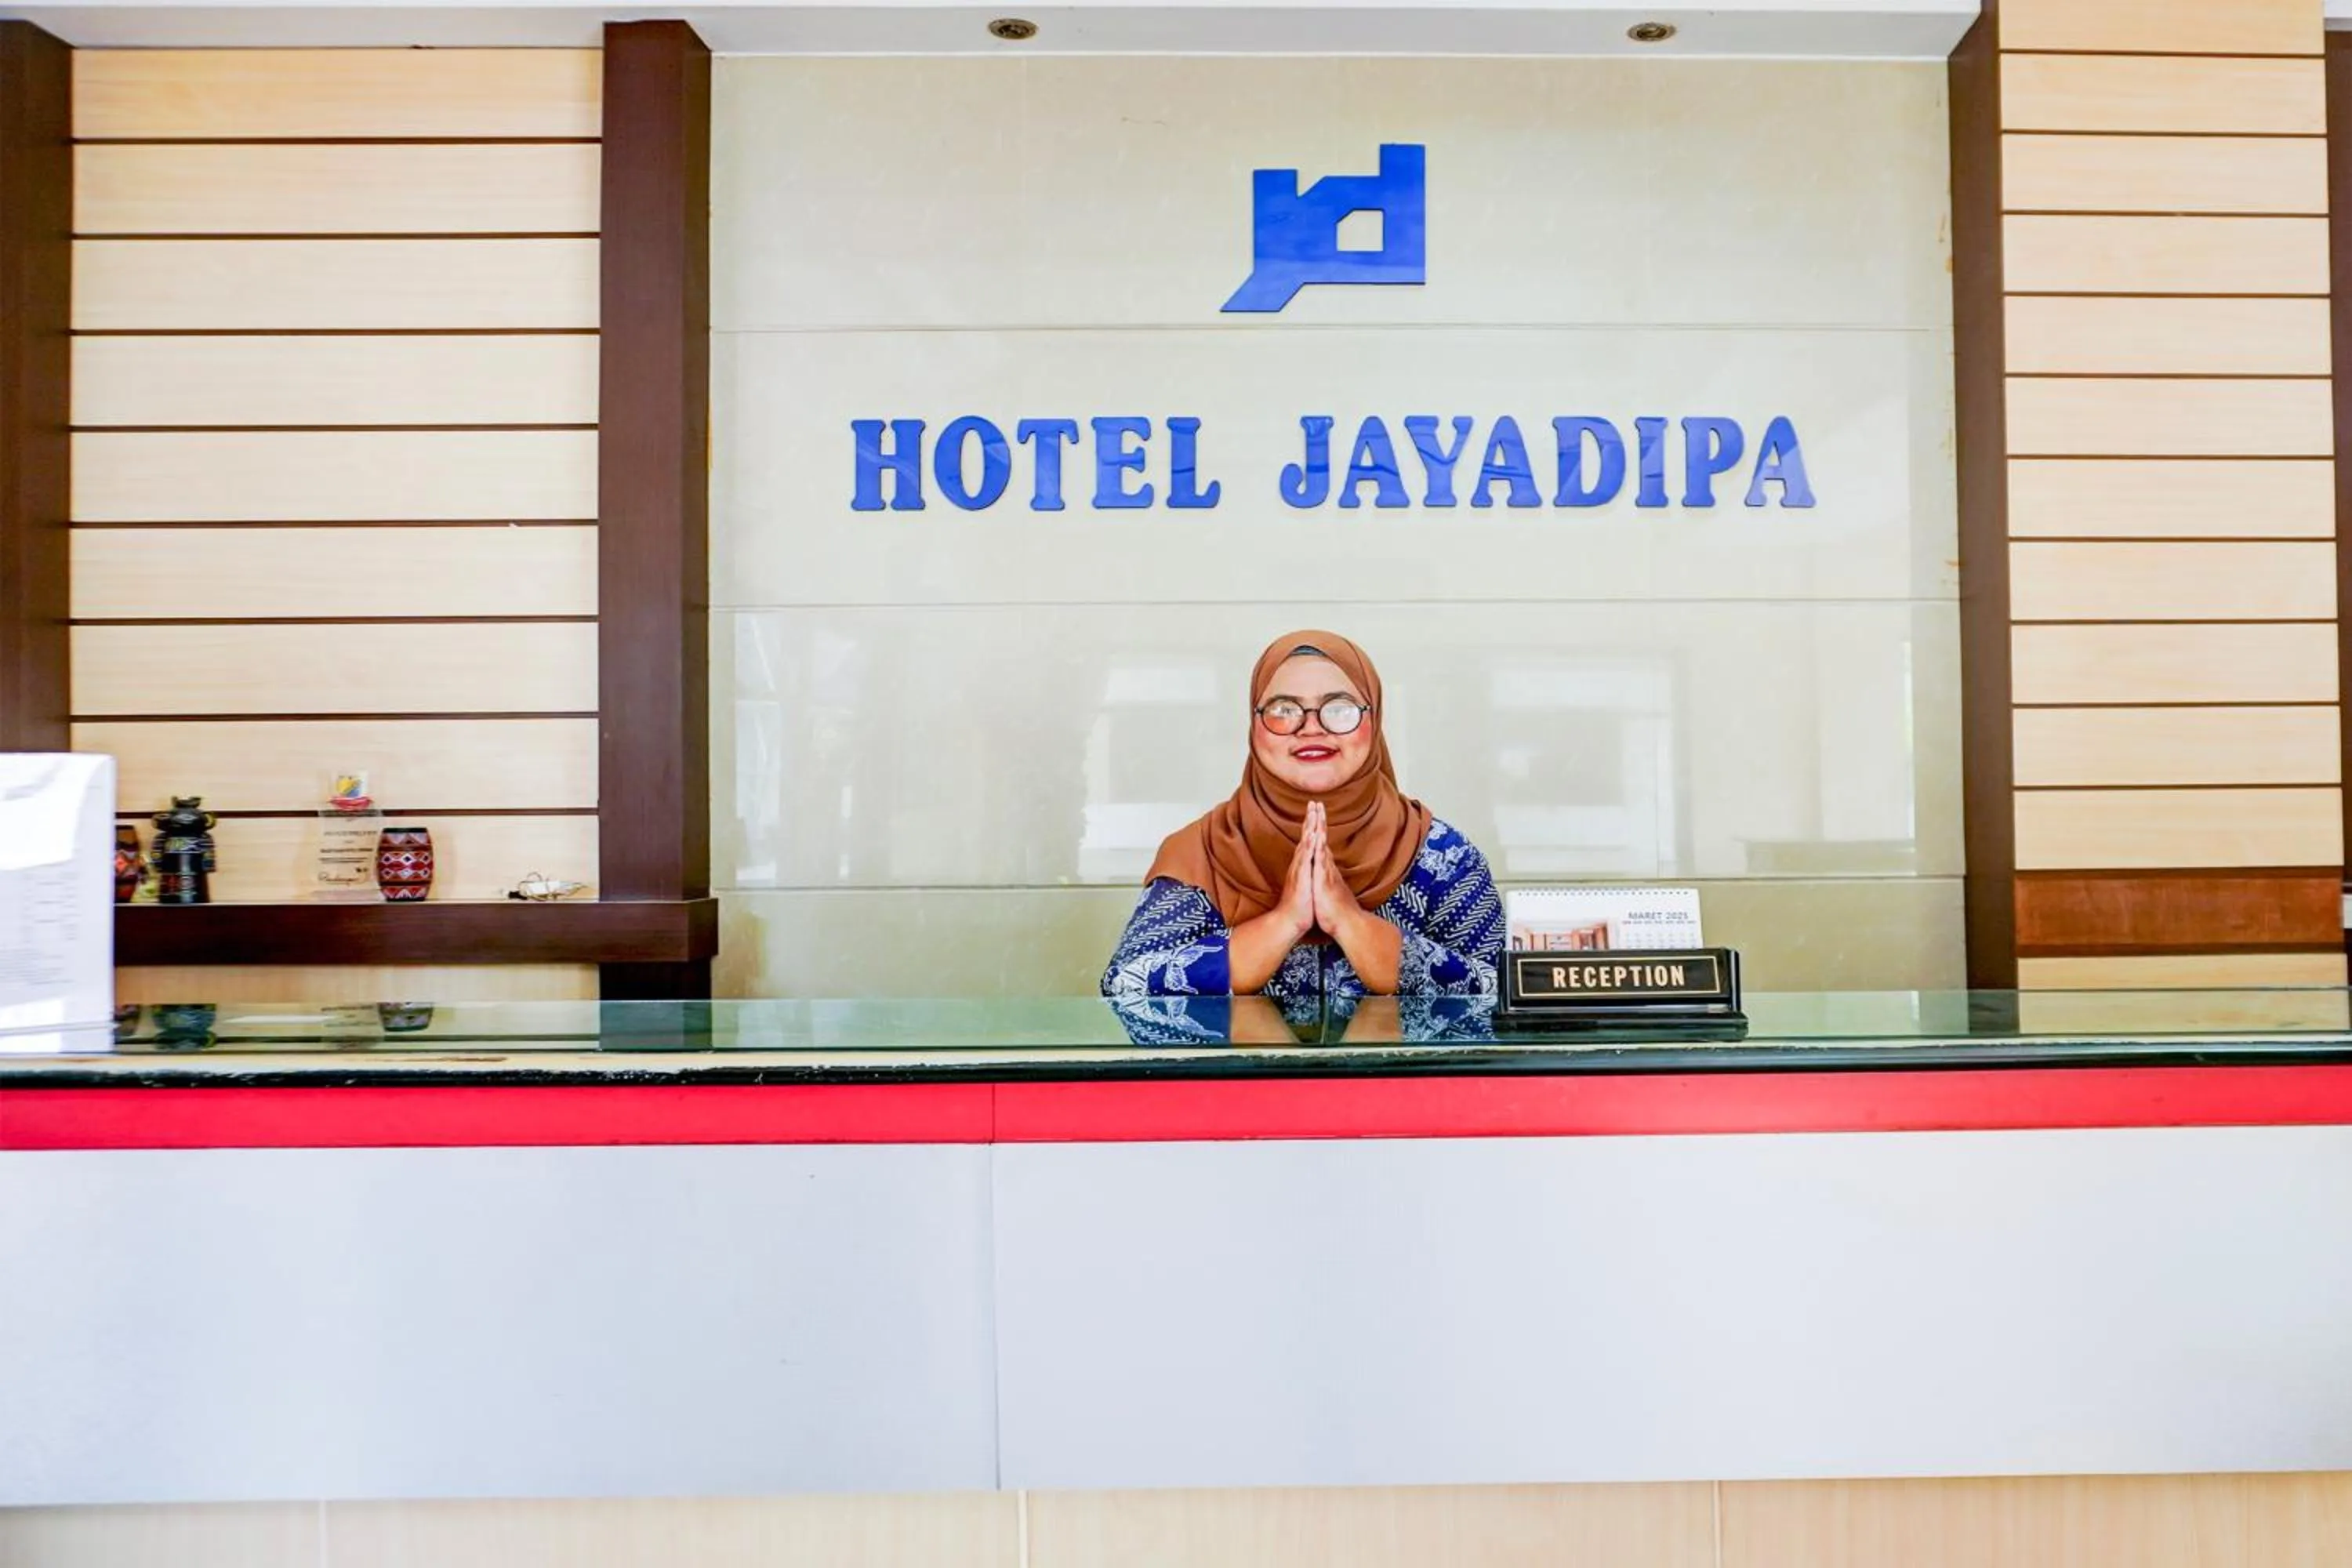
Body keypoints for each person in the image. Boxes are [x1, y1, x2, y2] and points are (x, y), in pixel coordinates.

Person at [1102, 630, 1504, 1000]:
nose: (1311, 728)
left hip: (1398, 1081)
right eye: (1283, 709)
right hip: (1243, 1082)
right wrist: (1283, 923)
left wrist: (1352, 923)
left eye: (1340, 708)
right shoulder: (1205, 851)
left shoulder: (1438, 856)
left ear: (1375, 717)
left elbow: (1504, 989)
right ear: (1253, 725)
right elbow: (1124, 985)